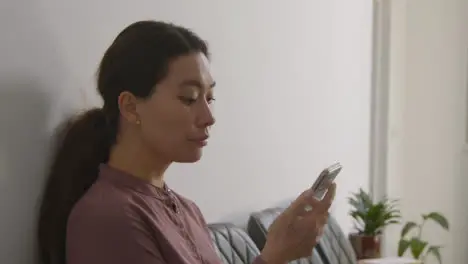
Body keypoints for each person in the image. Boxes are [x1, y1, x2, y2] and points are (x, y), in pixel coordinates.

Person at [37, 20, 336, 264]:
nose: (208, 116)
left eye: (210, 98)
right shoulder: (106, 218)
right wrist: (274, 257)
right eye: (189, 98)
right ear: (130, 107)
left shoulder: (186, 209)